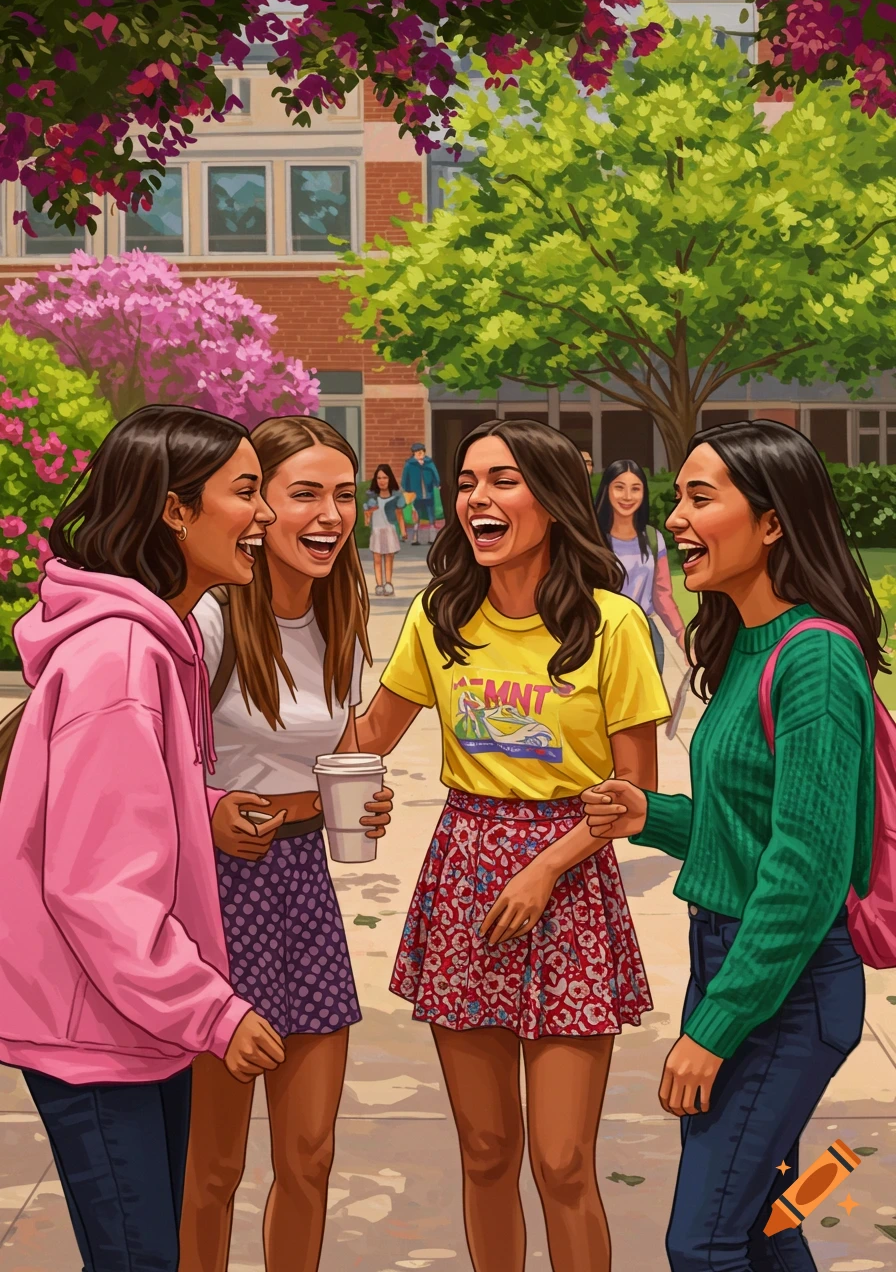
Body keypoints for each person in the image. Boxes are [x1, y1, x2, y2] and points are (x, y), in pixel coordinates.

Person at [355, 418, 670, 1272]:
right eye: (466, 483)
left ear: (553, 501)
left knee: (563, 1162)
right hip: (464, 876)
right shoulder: (439, 613)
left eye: (501, 481)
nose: (476, 500)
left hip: (567, 881)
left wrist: (545, 867)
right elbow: (369, 734)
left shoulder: (612, 625)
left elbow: (634, 796)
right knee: (487, 1152)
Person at [583, 419, 877, 1272]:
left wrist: (713, 1030)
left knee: (703, 1241)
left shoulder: (814, 658)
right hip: (736, 962)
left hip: (781, 982)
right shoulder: (747, 646)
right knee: (760, 1221)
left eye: (700, 498)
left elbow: (803, 872)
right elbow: (748, 826)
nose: (675, 518)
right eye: (677, 499)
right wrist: (650, 815)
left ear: (774, 521)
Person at [0, 404, 287, 1272]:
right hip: (96, 1029)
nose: (265, 515)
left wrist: (199, 805)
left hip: (132, 1021)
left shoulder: (150, 645)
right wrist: (211, 1009)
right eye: (246, 492)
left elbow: (105, 797)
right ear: (175, 509)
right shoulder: (122, 656)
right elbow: (94, 887)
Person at [181, 415, 394, 1272]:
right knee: (214, 1165)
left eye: (343, 495)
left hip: (305, 882)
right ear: (257, 505)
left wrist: (359, 800)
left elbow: (340, 750)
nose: (330, 514)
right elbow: (148, 766)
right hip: (214, 895)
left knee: (309, 1158)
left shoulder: (342, 615)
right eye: (304, 492)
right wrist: (208, 807)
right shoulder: (206, 623)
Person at [594, 458, 686, 673]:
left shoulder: (653, 538)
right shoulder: (592, 538)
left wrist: (682, 635)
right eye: (619, 488)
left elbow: (662, 595)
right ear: (607, 490)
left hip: (645, 633)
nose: (627, 496)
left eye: (635, 489)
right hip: (600, 633)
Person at [364, 462, 406, 596]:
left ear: (390, 479)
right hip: (376, 531)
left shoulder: (396, 496)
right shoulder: (371, 497)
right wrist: (369, 514)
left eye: (385, 478)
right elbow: (366, 521)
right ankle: (379, 584)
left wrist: (403, 531)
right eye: (379, 478)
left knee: (389, 558)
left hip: (390, 530)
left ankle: (388, 583)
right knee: (377, 558)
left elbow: (400, 515)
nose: (382, 481)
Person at [401, 441, 440, 546]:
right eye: (417, 452)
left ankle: (432, 538)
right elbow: (405, 478)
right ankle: (415, 538)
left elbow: (435, 473)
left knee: (431, 514)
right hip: (416, 494)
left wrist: (437, 483)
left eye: (421, 452)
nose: (420, 454)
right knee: (416, 515)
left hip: (428, 493)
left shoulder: (429, 463)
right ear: (413, 453)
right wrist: (406, 489)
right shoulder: (410, 464)